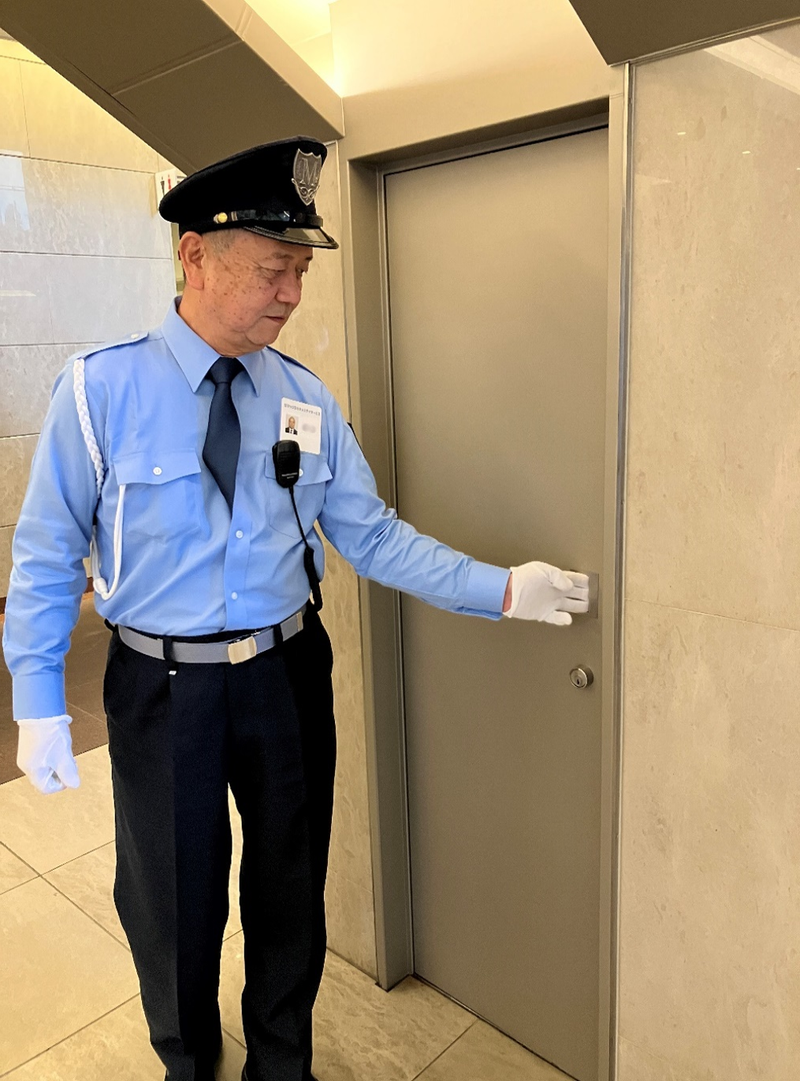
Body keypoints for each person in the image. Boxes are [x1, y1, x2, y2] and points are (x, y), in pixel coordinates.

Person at [2, 136, 589, 1081]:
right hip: (162, 688)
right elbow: (44, 556)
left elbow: (374, 536)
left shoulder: (303, 399)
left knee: (289, 884)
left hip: (284, 675)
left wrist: (506, 588)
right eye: (274, 269)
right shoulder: (99, 391)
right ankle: (188, 1060)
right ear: (196, 256)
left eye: (302, 273)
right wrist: (37, 699)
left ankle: (283, 1064)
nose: (292, 294)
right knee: (173, 898)